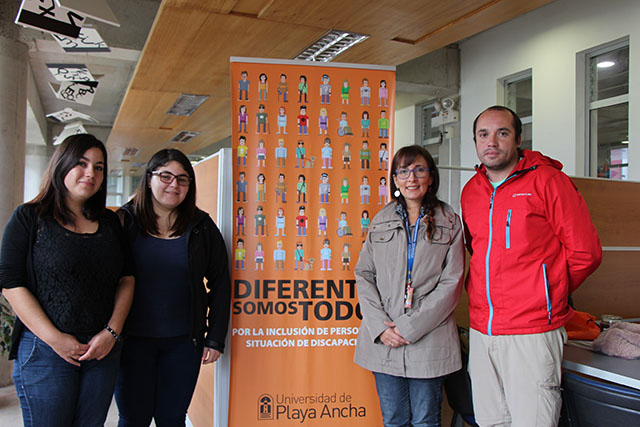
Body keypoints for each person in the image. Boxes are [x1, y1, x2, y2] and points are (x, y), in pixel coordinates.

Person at [462, 106, 602, 427]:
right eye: (483, 134)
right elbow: (477, 250)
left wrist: (546, 293)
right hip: (483, 330)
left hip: (532, 329)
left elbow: (586, 252)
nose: (491, 142)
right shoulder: (471, 191)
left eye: (502, 133)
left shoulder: (548, 181)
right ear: (476, 141)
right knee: (491, 421)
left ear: (518, 139)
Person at [0, 134, 135, 427]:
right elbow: (11, 283)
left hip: (101, 349)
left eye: (99, 167)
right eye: (81, 163)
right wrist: (55, 339)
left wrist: (112, 333)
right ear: (62, 164)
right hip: (44, 349)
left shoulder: (110, 222)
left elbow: (127, 278)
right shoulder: (29, 217)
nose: (90, 173)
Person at [115, 149, 231, 426]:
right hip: (131, 343)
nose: (174, 185)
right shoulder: (123, 222)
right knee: (133, 419)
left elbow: (221, 281)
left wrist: (215, 337)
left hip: (184, 344)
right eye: (165, 176)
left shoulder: (201, 226)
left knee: (173, 419)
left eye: (182, 179)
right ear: (149, 179)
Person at [355, 145, 464, 427]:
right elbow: (364, 274)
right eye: (403, 171)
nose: (411, 178)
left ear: (431, 176)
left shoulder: (449, 221)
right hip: (385, 338)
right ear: (395, 179)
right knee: (393, 420)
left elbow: (452, 282)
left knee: (426, 421)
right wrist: (381, 327)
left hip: (429, 338)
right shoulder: (381, 220)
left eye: (419, 170)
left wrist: (410, 327)